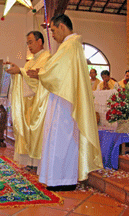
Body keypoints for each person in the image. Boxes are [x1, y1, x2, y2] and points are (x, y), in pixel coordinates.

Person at [28, 14, 103, 191]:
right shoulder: (70, 46)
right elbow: (56, 69)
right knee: (58, 138)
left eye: (53, 30)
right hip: (62, 97)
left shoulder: (70, 45)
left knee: (61, 139)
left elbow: (55, 71)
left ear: (62, 26)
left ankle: (62, 179)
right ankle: (57, 178)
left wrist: (40, 73)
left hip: (64, 101)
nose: (52, 35)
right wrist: (42, 72)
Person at [5, 31, 51, 170]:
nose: (29, 46)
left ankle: (39, 163)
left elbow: (42, 80)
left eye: (31, 42)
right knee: (28, 133)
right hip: (29, 103)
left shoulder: (47, 57)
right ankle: (31, 163)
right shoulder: (30, 61)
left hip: (41, 103)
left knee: (38, 133)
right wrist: (18, 72)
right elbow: (26, 76)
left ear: (40, 42)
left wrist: (20, 71)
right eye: (27, 43)